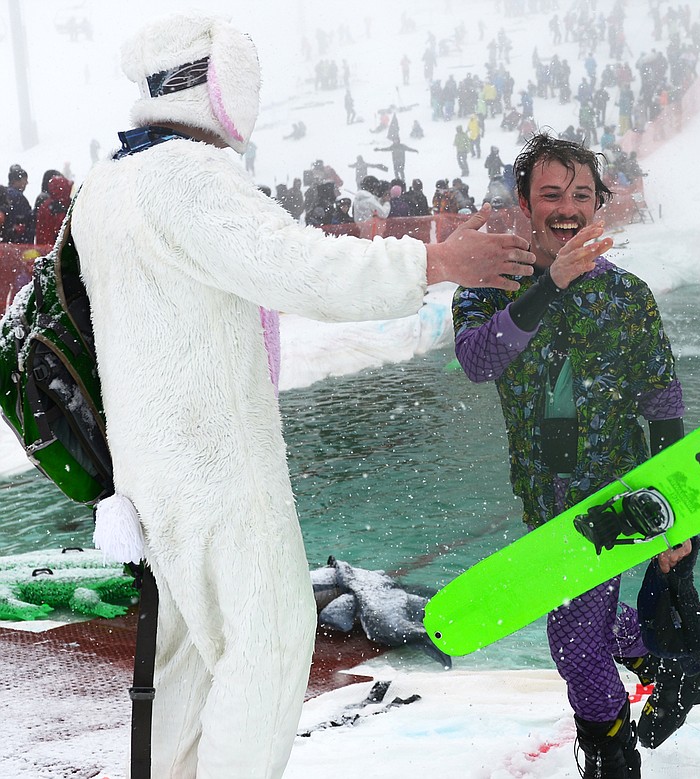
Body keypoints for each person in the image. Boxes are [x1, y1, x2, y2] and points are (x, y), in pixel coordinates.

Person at [70, 14, 534, 778]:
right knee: (272, 636)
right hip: (215, 458)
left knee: (189, 654)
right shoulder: (186, 175)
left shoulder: (106, 184)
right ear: (221, 86)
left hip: (150, 465)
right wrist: (435, 260)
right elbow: (296, 266)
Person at [452, 133, 700, 777]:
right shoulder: (494, 284)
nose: (566, 208)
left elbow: (662, 399)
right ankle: (669, 666)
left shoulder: (627, 294)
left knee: (575, 642)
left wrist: (679, 513)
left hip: (620, 498)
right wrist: (551, 284)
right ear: (525, 202)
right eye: (551, 194)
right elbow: (479, 360)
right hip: (545, 498)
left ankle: (610, 754)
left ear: (599, 203)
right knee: (585, 619)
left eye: (581, 194)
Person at [1, 164, 34, 244]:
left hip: (6, 241)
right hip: (19, 241)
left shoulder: (4, 194)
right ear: (16, 181)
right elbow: (26, 218)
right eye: (24, 180)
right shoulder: (18, 198)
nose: (26, 183)